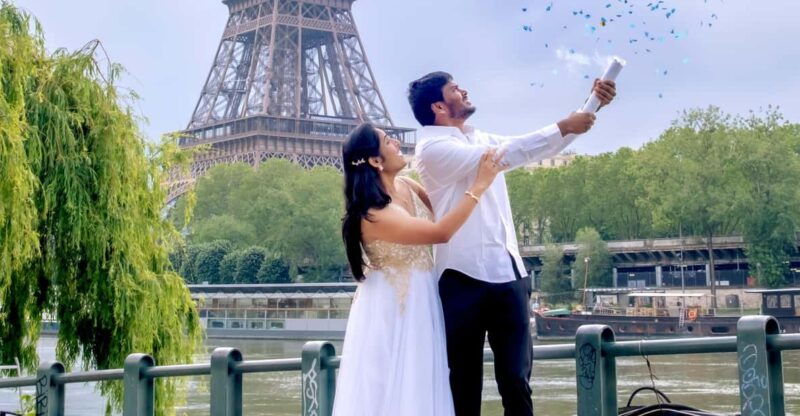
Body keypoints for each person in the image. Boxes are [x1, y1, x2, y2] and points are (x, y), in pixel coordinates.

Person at [408, 71, 616, 416]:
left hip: (508, 275)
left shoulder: (479, 137)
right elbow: (515, 151)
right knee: (463, 384)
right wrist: (567, 123)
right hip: (461, 278)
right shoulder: (432, 148)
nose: (464, 89)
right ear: (439, 106)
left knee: (517, 382)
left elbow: (542, 145)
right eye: (455, 89)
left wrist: (593, 102)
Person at [332, 122, 506, 416]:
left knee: (421, 374)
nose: (398, 143)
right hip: (395, 304)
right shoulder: (373, 216)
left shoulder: (408, 185)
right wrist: (479, 185)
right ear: (375, 160)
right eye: (389, 141)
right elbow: (441, 232)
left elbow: (449, 209)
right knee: (400, 378)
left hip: (422, 296)